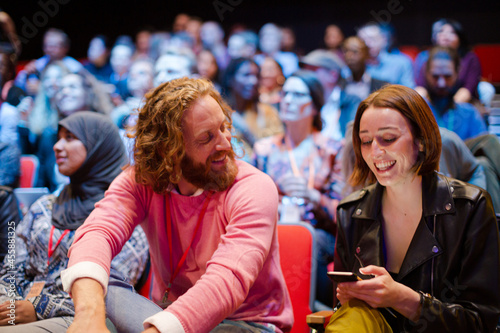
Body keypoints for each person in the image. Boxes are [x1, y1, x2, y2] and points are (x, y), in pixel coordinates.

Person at [60, 77, 293, 333]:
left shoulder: (253, 187)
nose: (226, 144)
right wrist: (88, 316)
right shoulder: (141, 180)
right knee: (99, 282)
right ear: (170, 150)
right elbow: (97, 232)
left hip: (245, 323)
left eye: (224, 127)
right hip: (165, 317)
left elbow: (227, 282)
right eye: (207, 138)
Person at [328, 84, 500, 332]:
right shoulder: (351, 211)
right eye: (366, 141)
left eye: (388, 138)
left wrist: (403, 299)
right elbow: (340, 308)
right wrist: (347, 300)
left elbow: (481, 321)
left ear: (421, 140)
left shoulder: (470, 207)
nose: (375, 152)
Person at [0, 111, 149, 332]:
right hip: (17, 311)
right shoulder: (44, 205)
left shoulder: (124, 215)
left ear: (99, 148)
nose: (57, 146)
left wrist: (38, 308)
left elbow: (112, 292)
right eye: (59, 137)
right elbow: (11, 264)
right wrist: (7, 304)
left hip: (81, 318)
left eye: (70, 138)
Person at [251, 70, 343, 307]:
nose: (288, 99)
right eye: (286, 93)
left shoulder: (332, 150)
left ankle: (304, 314)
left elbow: (344, 214)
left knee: (305, 241)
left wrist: (313, 197)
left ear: (314, 106)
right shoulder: (264, 150)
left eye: (298, 94)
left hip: (317, 234)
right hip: (271, 229)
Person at [423, 46, 487, 141]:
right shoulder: (416, 113)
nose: (441, 84)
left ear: (457, 74)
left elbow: (483, 149)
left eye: (447, 76)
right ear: (426, 74)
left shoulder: (470, 114)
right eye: (435, 76)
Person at [222, 57, 283, 155]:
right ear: (230, 79)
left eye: (257, 76)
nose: (253, 81)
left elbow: (276, 150)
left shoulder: (267, 112)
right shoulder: (218, 112)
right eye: (246, 75)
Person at [414, 18, 482, 103]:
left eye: (452, 32)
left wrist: (447, 111)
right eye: (441, 32)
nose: (446, 36)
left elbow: (467, 90)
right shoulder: (424, 57)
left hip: (462, 104)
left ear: (460, 38)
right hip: (432, 104)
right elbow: (420, 88)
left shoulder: (470, 58)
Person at [300, 49, 361, 139]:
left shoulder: (351, 102)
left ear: (333, 75)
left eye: (313, 70)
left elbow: (353, 139)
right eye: (305, 70)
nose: (306, 76)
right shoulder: (303, 101)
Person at [14, 29, 83, 93]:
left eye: (54, 46)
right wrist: (26, 74)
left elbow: (79, 90)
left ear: (65, 48)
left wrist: (42, 89)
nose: (49, 49)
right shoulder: (39, 64)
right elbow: (18, 86)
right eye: (46, 46)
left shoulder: (74, 67)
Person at [357, 23, 415, 88]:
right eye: (363, 40)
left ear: (384, 40)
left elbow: (409, 91)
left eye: (372, 39)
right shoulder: (354, 64)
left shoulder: (402, 63)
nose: (368, 44)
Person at [340, 36, 388, 101]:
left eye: (355, 51)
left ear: (366, 54)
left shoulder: (382, 86)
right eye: (346, 51)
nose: (349, 56)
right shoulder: (338, 85)